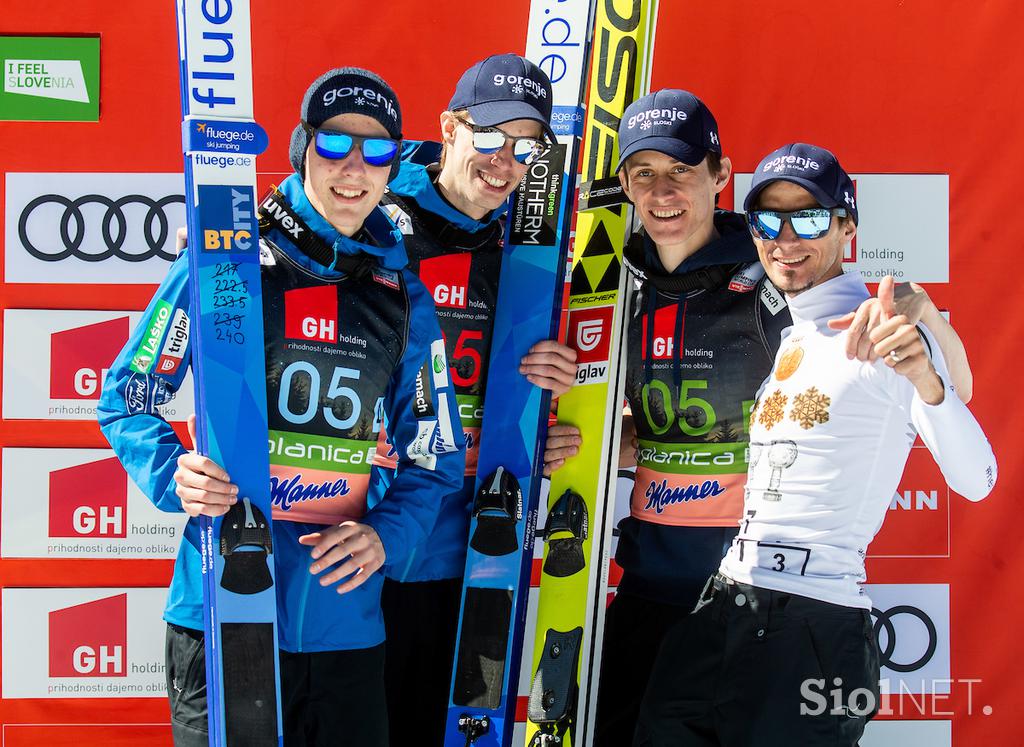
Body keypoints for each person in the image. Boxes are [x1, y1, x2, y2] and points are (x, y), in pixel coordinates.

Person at [541, 90, 975, 746]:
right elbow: (644, 434)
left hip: (759, 597)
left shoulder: (773, 274)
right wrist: (576, 438)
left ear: (719, 176)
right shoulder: (616, 282)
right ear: (625, 185)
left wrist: (922, 314)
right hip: (655, 585)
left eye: (681, 171)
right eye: (644, 175)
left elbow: (941, 385)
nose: (663, 193)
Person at [98, 67, 465, 747]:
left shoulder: (404, 297)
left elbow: (436, 448)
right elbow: (128, 396)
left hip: (343, 623)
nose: (355, 168)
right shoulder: (229, 259)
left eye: (378, 151)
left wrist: (389, 533)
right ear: (302, 147)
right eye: (335, 145)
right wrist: (171, 471)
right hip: (221, 603)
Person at [633, 142, 997, 746]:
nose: (785, 238)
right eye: (767, 220)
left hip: (815, 628)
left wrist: (926, 378)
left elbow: (977, 480)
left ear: (846, 225)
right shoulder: (792, 333)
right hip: (724, 602)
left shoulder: (880, 334)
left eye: (807, 218)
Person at [367, 53, 578, 745]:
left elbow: (525, 394)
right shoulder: (370, 208)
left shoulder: (529, 245)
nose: (505, 162)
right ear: (450, 127)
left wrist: (540, 415)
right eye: (490, 138)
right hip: (364, 530)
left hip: (475, 550)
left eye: (527, 148)